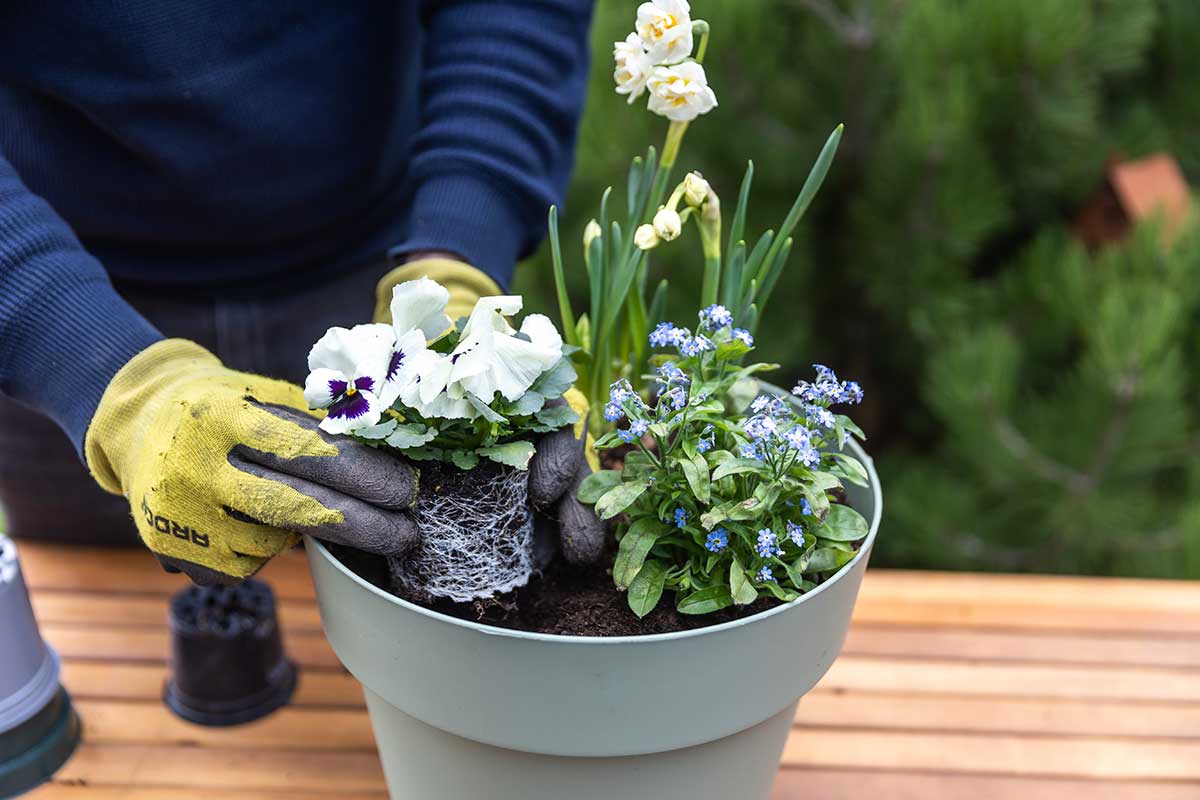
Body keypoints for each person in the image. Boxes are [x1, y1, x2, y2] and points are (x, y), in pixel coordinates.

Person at [0, 2, 599, 585]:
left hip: (375, 270)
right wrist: (107, 381)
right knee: (92, 595)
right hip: (67, 307)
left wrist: (458, 257)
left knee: (391, 548)